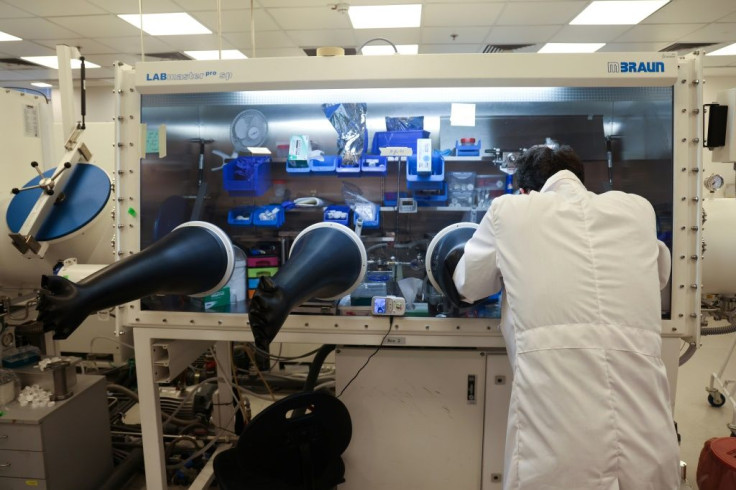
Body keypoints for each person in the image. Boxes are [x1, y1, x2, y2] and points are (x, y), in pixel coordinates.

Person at [452, 145, 680, 489]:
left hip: (557, 442)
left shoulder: (511, 211)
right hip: (647, 440)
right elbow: (660, 274)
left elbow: (469, 284)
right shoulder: (637, 210)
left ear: (525, 190)